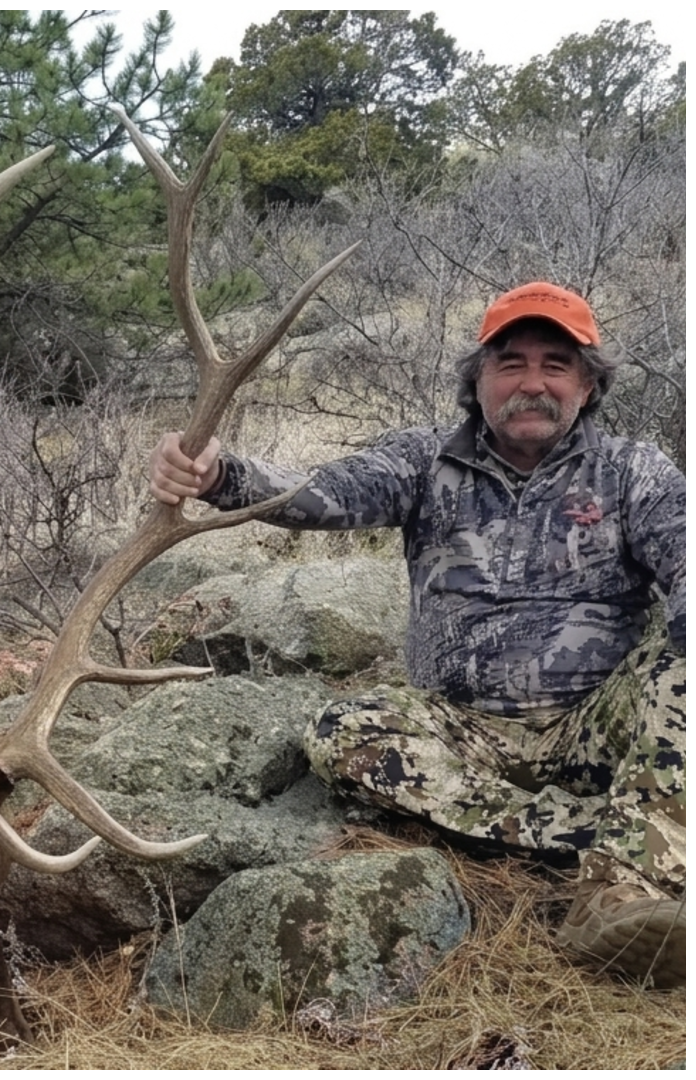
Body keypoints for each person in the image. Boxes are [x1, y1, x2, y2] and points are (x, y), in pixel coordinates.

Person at [148, 281, 685, 987]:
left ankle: (616, 893)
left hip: (597, 730)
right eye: (510, 362)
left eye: (555, 364)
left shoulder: (632, 471)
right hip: (460, 734)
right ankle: (608, 834)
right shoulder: (425, 461)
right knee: (345, 729)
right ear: (479, 379)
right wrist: (218, 474)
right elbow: (317, 494)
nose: (532, 383)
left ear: (587, 384)